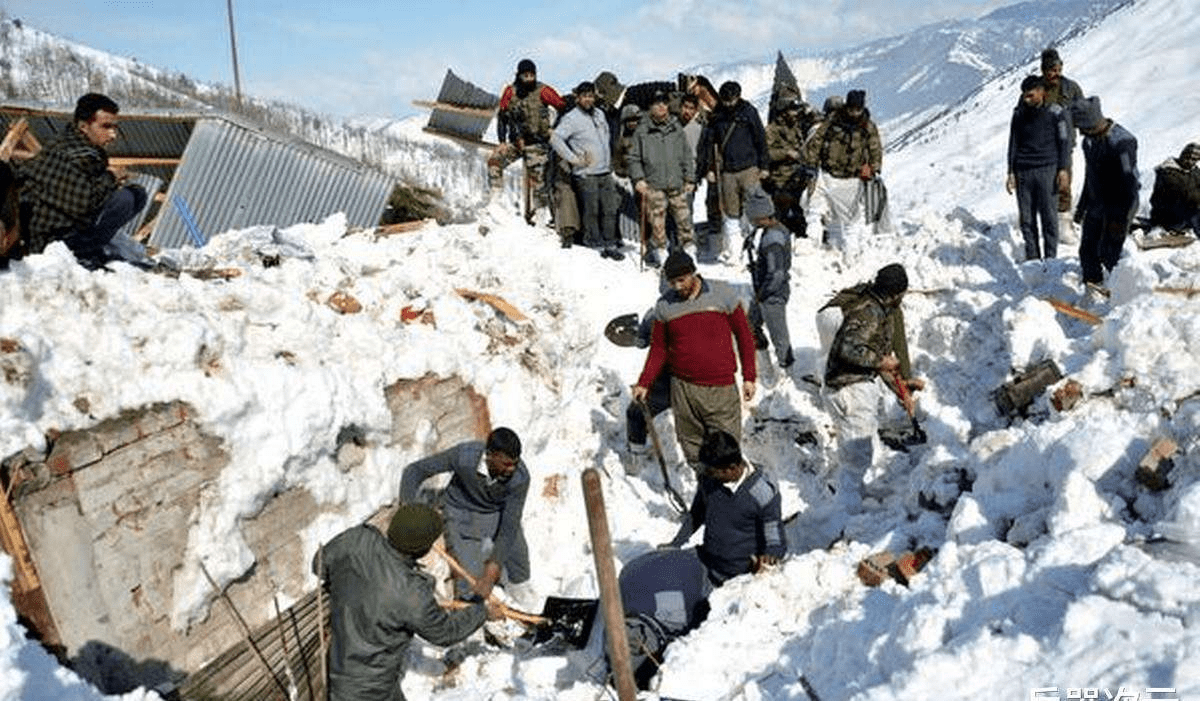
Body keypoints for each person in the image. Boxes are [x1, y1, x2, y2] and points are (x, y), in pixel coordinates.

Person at [313, 504, 500, 701]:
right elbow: (445, 632)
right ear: (423, 550)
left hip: (348, 675)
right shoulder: (412, 594)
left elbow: (319, 564)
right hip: (371, 690)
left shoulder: (358, 538)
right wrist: (483, 613)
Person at [632, 249, 756, 471]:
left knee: (726, 447)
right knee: (693, 448)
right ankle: (705, 492)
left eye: (681, 280)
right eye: (672, 282)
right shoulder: (664, 306)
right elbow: (658, 349)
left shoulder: (723, 294)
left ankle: (730, 497)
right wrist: (644, 382)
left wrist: (749, 376)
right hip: (684, 389)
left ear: (693, 273)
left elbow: (744, 336)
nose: (677, 287)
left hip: (720, 388)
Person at [818, 263, 924, 509]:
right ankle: (847, 509)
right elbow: (848, 348)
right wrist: (880, 360)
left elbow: (881, 361)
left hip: (855, 386)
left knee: (857, 450)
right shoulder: (868, 313)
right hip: (849, 389)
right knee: (856, 453)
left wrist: (902, 392)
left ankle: (857, 494)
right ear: (897, 293)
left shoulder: (879, 309)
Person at [398, 428, 533, 603]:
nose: (512, 469)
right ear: (490, 455)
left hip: (495, 513)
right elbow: (415, 470)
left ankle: (523, 605)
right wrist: (407, 509)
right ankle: (473, 613)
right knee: (470, 581)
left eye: (515, 463)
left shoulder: (520, 478)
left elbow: (509, 527)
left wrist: (492, 571)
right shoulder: (465, 456)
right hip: (461, 512)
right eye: (507, 464)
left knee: (520, 564)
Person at [13, 92, 147, 268]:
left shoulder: (82, 148)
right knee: (125, 199)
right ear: (84, 126)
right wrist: (111, 177)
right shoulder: (70, 154)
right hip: (48, 241)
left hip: (64, 228)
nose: (113, 135)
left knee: (137, 194)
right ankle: (81, 252)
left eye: (114, 127)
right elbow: (82, 205)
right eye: (106, 127)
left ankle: (88, 248)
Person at [666, 430, 786, 586]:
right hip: (708, 561)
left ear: (732, 468)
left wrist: (770, 557)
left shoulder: (762, 492)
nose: (707, 474)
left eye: (712, 472)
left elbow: (773, 533)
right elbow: (696, 514)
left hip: (739, 577)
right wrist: (675, 544)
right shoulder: (708, 479)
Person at [1070, 96, 1139, 293]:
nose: (1080, 132)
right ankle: (1094, 288)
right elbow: (1089, 176)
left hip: (1120, 204)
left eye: (1082, 126)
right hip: (1097, 204)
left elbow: (1130, 184)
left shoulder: (1123, 142)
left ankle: (1125, 292)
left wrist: (1122, 217)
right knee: (1087, 250)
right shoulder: (1089, 142)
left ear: (1091, 122)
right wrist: (1082, 207)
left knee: (1109, 253)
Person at [550, 81, 625, 260]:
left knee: (610, 208)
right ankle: (594, 243)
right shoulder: (571, 118)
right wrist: (574, 159)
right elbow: (555, 139)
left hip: (605, 171)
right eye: (584, 96)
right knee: (591, 210)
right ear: (578, 98)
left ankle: (610, 243)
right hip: (586, 173)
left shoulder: (600, 114)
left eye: (590, 95)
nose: (588, 99)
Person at [803, 89, 885, 248]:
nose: (854, 113)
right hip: (829, 173)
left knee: (851, 220)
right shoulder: (833, 120)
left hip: (852, 177)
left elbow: (875, 148)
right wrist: (811, 165)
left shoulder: (867, 125)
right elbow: (817, 142)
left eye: (858, 109)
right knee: (824, 213)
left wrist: (873, 169)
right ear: (847, 106)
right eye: (851, 109)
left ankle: (851, 253)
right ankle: (826, 247)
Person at [695, 81, 768, 259]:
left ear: (738, 96)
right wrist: (709, 168)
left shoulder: (748, 111)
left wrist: (764, 165)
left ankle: (754, 251)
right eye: (725, 100)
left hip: (749, 167)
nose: (728, 103)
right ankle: (735, 253)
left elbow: (760, 138)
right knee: (731, 213)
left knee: (753, 210)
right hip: (727, 171)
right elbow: (709, 144)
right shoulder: (717, 115)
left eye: (731, 100)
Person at [488, 59, 567, 223]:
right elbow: (502, 117)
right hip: (516, 142)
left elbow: (563, 107)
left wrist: (555, 129)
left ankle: (541, 217)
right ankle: (496, 202)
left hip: (536, 143)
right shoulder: (510, 92)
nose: (530, 78)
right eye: (526, 75)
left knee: (538, 181)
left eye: (532, 75)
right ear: (519, 75)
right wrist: (502, 141)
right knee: (494, 162)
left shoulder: (543, 91)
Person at [1005, 75, 1072, 260]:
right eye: (1024, 95)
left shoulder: (1056, 112)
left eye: (1030, 94)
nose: (1026, 98)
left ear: (1042, 92)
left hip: (1047, 170)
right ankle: (1033, 261)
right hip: (1023, 171)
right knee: (1027, 220)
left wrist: (1063, 169)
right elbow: (1013, 143)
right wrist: (1011, 171)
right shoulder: (1018, 114)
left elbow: (1064, 142)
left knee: (1049, 218)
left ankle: (1051, 262)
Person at [629, 90, 695, 267]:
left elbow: (687, 154)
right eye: (657, 103)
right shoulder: (642, 131)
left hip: (677, 183)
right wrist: (638, 179)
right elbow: (634, 158)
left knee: (684, 221)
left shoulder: (676, 128)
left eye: (664, 103)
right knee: (658, 226)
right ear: (650, 107)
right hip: (654, 184)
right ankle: (663, 258)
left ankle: (690, 256)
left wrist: (690, 178)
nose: (661, 107)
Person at [742, 188, 794, 370]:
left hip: (772, 294)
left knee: (779, 337)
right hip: (764, 291)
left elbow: (776, 274)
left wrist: (762, 294)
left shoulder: (773, 239)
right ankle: (766, 370)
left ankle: (788, 373)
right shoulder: (770, 231)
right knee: (750, 326)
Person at [1040, 48, 1085, 216]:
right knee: (1044, 183)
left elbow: (1083, 112)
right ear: (1043, 70)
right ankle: (1046, 218)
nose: (1056, 73)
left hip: (1064, 144)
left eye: (1059, 69)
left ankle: (1063, 219)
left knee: (1064, 183)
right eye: (1052, 70)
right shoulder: (1036, 88)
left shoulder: (1071, 88)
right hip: (1041, 144)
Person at [764, 97, 813, 237]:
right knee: (781, 212)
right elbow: (766, 154)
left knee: (798, 210)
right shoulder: (772, 130)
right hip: (781, 179)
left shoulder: (796, 127)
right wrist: (785, 154)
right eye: (792, 110)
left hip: (797, 177)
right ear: (784, 112)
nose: (796, 113)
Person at [1148, 142, 1200, 236]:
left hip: (1184, 214)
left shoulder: (1194, 171)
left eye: (1194, 160)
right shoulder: (1168, 172)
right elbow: (1185, 193)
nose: (1189, 162)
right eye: (1187, 157)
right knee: (1193, 211)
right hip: (1167, 216)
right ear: (1182, 155)